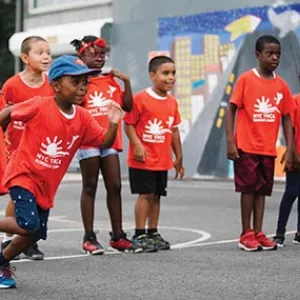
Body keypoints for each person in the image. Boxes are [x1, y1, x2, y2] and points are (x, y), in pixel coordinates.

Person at [0, 55, 122, 288]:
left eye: (85, 82)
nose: (82, 87)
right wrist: (3, 138)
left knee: (35, 233)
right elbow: (8, 112)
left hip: (47, 184)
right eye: (75, 82)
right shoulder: (40, 104)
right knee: (28, 225)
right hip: (24, 175)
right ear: (55, 86)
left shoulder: (83, 117)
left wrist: (114, 123)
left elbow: (104, 142)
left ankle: (1, 262)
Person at [225, 35, 297, 252]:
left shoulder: (281, 86)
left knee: (262, 190)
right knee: (248, 190)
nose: (275, 57)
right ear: (258, 55)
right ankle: (245, 233)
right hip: (246, 146)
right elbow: (231, 108)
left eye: (278, 54)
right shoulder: (246, 80)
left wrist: (291, 147)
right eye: (270, 53)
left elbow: (286, 117)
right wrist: (230, 140)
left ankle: (258, 232)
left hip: (268, 147)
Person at [70, 36, 133, 253]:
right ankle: (88, 238)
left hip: (110, 139)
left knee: (115, 185)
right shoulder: (79, 81)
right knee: (90, 186)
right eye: (93, 54)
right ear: (81, 55)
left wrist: (127, 82)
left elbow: (128, 106)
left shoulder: (110, 80)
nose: (99, 58)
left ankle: (117, 236)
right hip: (89, 140)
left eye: (102, 55)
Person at [123, 55, 184, 253]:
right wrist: (138, 145)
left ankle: (153, 232)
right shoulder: (140, 99)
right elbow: (129, 124)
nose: (170, 77)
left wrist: (178, 157)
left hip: (162, 160)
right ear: (152, 76)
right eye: (165, 73)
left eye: (173, 73)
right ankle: (139, 234)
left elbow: (173, 130)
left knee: (157, 195)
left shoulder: (172, 103)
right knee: (145, 195)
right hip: (143, 159)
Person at [1, 36, 53, 261]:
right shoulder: (12, 85)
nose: (46, 57)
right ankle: (8, 238)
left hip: (41, 150)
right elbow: (3, 116)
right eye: (39, 52)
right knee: (20, 195)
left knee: (37, 196)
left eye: (48, 52)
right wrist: (5, 142)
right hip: (17, 149)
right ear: (24, 58)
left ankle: (28, 242)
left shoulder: (52, 84)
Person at [273, 94, 300, 247]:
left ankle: (299, 233)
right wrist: (292, 151)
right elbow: (289, 127)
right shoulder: (294, 101)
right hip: (296, 155)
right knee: (291, 192)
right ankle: (280, 233)